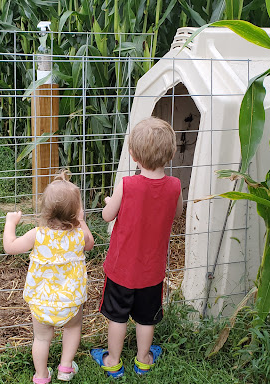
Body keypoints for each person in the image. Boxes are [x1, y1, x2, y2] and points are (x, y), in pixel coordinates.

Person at [91, 117, 183, 377]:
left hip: (121, 269)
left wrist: (111, 200)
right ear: (172, 152)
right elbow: (177, 213)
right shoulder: (174, 186)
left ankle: (113, 361)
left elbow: (108, 215)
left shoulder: (127, 185)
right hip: (152, 271)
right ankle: (144, 360)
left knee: (117, 317)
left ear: (132, 155)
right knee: (146, 318)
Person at [3, 170, 94, 384]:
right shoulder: (79, 235)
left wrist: (11, 223)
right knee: (72, 329)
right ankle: (65, 368)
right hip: (71, 300)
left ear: (46, 209)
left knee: (42, 338)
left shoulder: (38, 234)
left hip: (42, 302)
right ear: (76, 211)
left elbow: (10, 246)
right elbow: (90, 244)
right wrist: (81, 222)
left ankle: (42, 376)